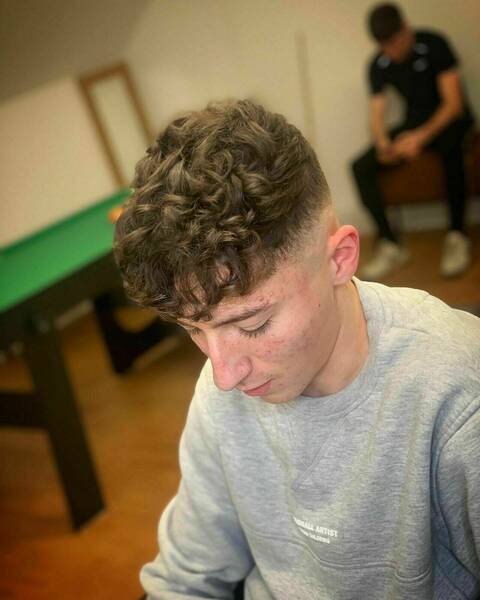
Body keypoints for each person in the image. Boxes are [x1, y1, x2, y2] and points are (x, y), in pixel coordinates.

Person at [114, 99, 480, 600]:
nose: (224, 376)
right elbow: (186, 578)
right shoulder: (221, 390)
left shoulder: (459, 396)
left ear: (339, 259)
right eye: (194, 330)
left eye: (254, 323)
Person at [351, 3, 475, 281]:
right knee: (360, 167)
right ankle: (390, 243)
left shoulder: (434, 44)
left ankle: (457, 236)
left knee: (452, 149)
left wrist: (420, 137)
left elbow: (454, 104)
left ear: (406, 29)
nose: (392, 52)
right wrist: (383, 143)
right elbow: (376, 112)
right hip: (414, 122)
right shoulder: (378, 63)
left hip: (451, 121)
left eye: (396, 43)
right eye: (385, 47)